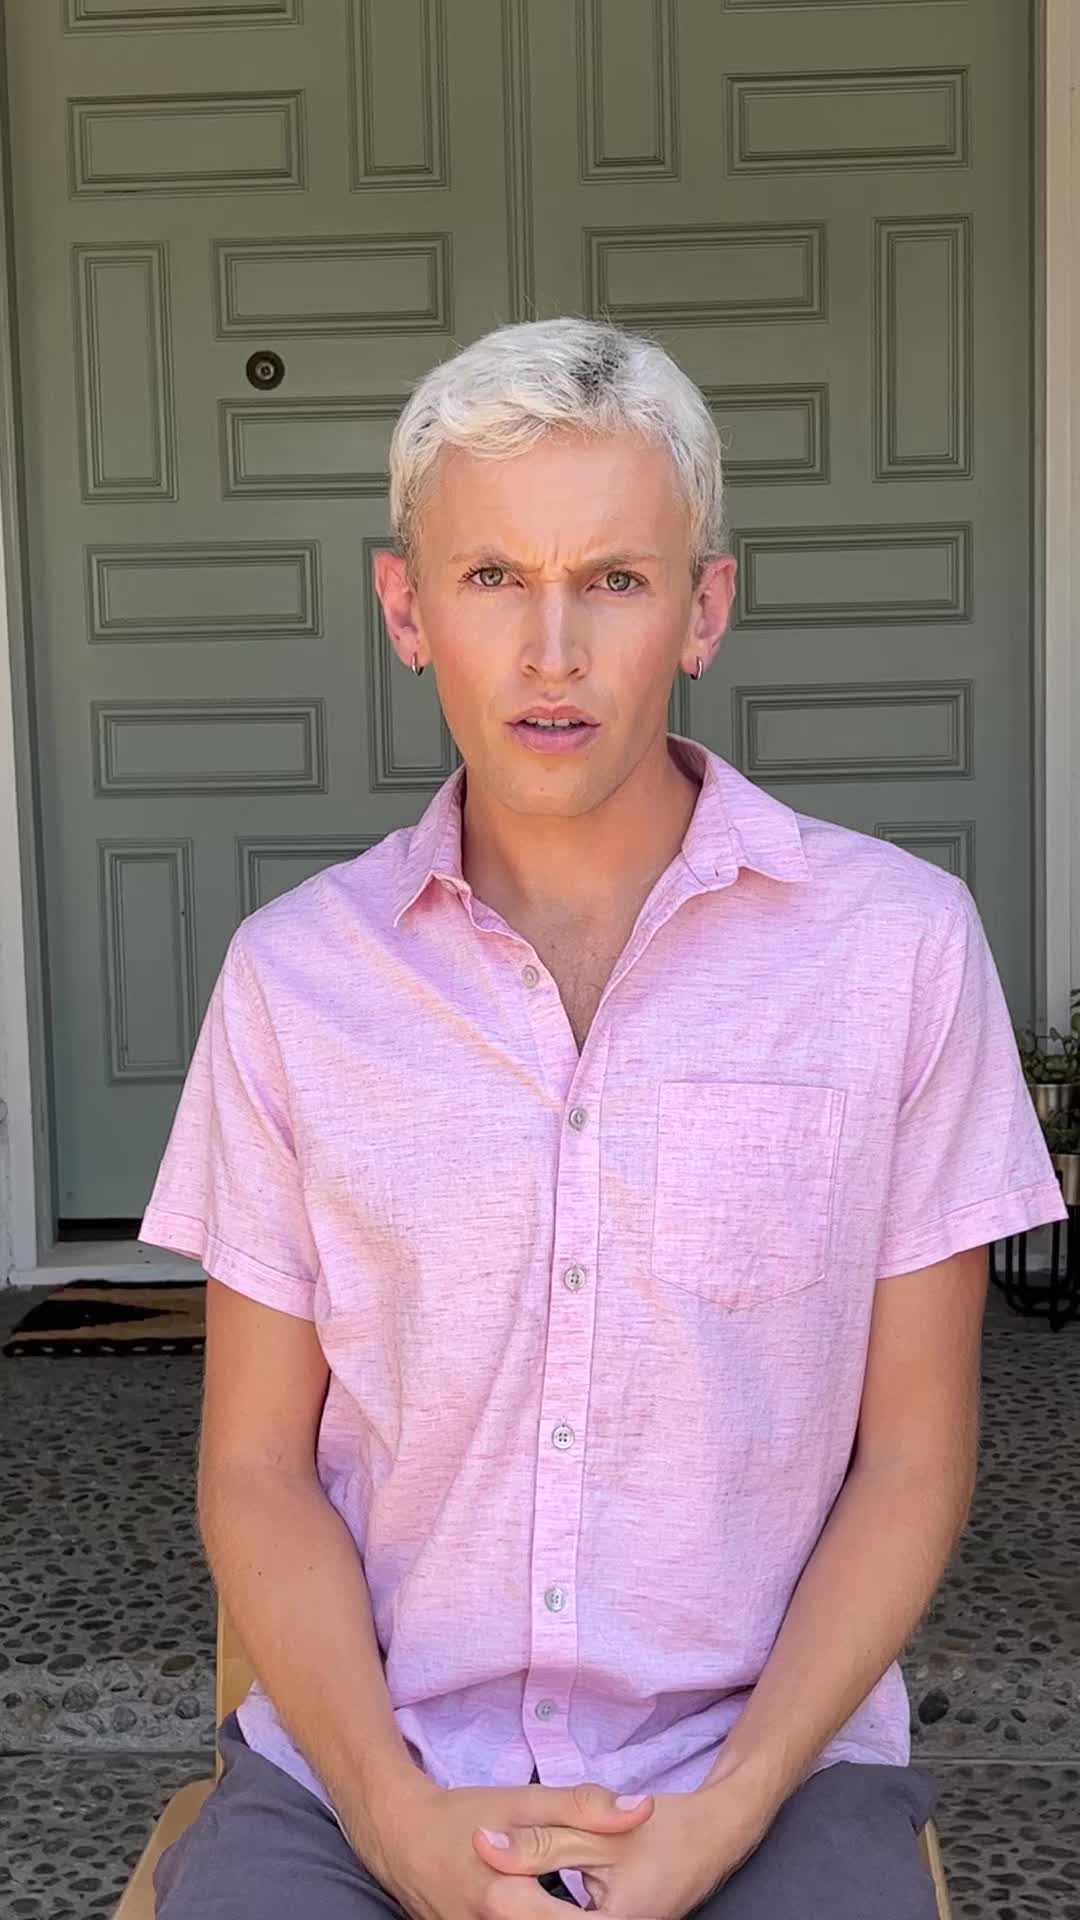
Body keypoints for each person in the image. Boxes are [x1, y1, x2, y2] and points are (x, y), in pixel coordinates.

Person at [140, 317, 1067, 1920]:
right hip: (367, 1769)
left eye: (616, 579)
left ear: (704, 608)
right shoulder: (296, 980)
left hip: (764, 1770)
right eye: (494, 576)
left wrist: (729, 1809)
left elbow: (916, 1453)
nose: (551, 649)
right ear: (407, 608)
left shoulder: (897, 953)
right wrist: (396, 1821)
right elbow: (258, 1467)